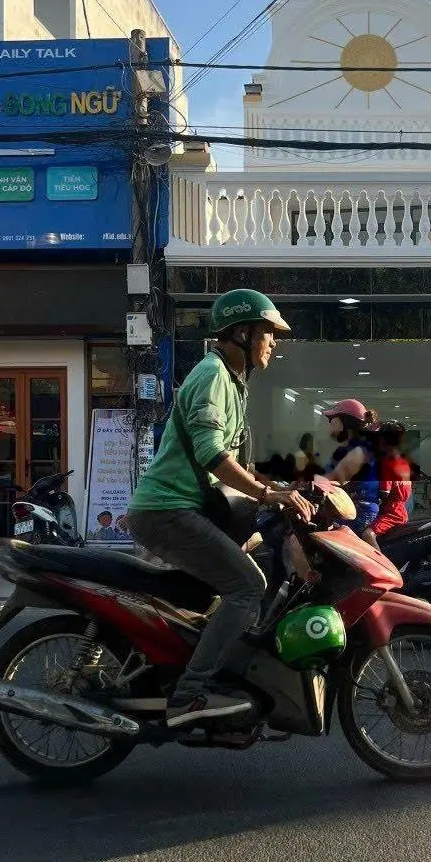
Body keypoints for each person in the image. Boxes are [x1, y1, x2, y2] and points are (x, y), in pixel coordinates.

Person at [128, 289, 313, 729]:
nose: (274, 342)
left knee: (246, 559)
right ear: (242, 333)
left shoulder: (232, 379)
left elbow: (232, 461)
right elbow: (212, 454)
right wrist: (269, 496)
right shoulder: (213, 374)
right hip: (167, 510)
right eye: (268, 333)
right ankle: (189, 694)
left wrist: (281, 485)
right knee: (248, 587)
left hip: (183, 509)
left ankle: (190, 664)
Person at [323, 399, 380, 535]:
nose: (329, 424)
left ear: (343, 421)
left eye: (331, 419)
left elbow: (340, 478)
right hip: (349, 507)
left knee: (302, 540)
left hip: (357, 511)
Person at [370, 422, 413, 540]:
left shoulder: (387, 462)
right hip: (401, 510)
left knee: (368, 534)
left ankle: (378, 559)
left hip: (391, 512)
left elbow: (384, 493)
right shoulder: (403, 462)